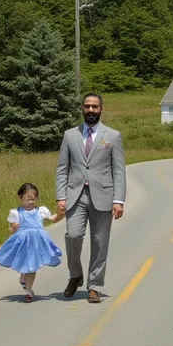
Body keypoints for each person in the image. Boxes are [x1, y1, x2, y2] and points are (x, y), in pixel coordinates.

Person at [55, 93, 126, 303]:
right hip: (75, 195)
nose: (91, 110)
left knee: (100, 242)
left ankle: (94, 285)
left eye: (95, 107)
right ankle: (75, 275)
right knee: (73, 236)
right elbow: (62, 168)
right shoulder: (70, 135)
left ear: (102, 109)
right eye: (87, 106)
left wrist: (118, 200)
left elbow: (119, 170)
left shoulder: (112, 136)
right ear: (82, 108)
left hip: (104, 195)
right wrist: (60, 196)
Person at [0, 183, 64, 302]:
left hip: (36, 243)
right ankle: (23, 278)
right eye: (28, 199)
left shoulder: (40, 211)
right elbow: (11, 230)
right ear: (20, 198)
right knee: (24, 264)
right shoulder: (16, 213)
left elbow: (52, 219)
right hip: (23, 243)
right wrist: (13, 227)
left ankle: (28, 291)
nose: (31, 202)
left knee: (32, 266)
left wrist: (60, 214)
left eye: (33, 199)